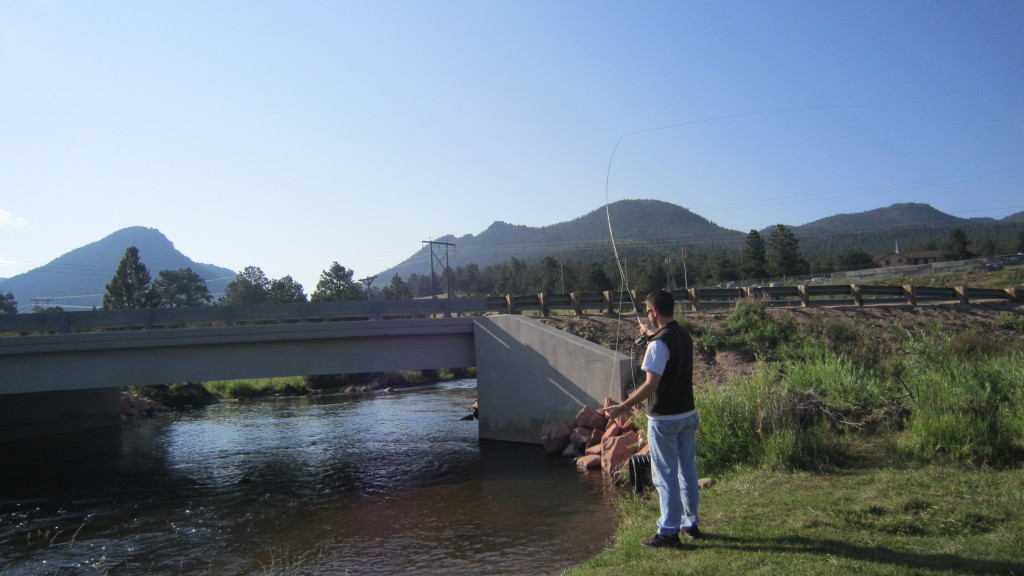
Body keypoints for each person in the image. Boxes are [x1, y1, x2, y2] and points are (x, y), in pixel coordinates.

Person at [601, 288, 700, 548]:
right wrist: (648, 334)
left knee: (665, 473)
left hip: (664, 418)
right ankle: (690, 523)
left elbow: (650, 385)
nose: (647, 315)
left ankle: (668, 531)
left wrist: (623, 406)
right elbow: (664, 345)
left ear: (654, 311)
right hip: (688, 413)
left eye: (648, 311)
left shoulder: (658, 344)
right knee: (687, 471)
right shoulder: (682, 335)